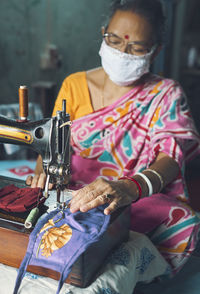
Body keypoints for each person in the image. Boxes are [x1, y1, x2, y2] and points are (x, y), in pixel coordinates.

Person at [26, 0, 200, 292]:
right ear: (103, 33)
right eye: (115, 40)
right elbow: (53, 148)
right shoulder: (74, 85)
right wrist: (43, 175)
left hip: (135, 196)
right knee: (33, 209)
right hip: (78, 191)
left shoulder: (166, 94)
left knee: (184, 224)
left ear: (155, 50)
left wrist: (128, 188)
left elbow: (171, 155)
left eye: (136, 47)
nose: (122, 52)